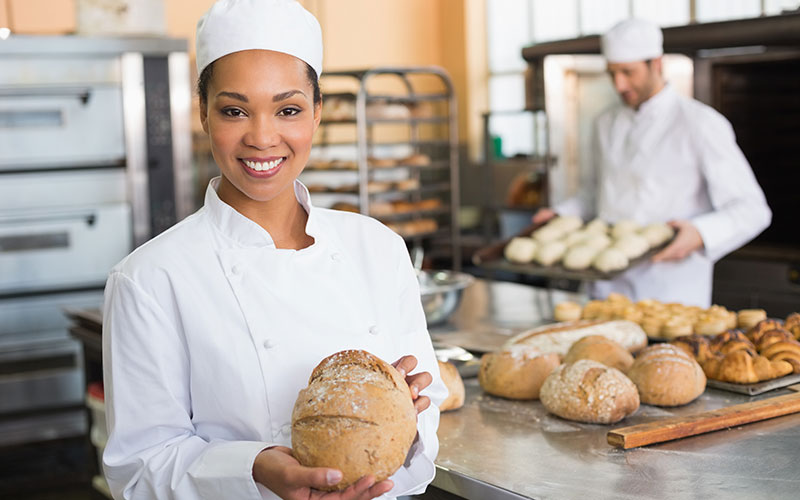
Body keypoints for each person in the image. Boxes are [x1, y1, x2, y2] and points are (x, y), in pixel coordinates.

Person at [101, 1, 446, 499]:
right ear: (203, 113)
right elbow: (138, 470)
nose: (262, 138)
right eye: (234, 110)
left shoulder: (378, 248)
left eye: (288, 109)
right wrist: (255, 468)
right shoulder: (151, 278)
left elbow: (428, 413)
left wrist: (400, 418)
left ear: (317, 113)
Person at [533, 18, 771, 307]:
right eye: (612, 74)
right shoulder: (604, 124)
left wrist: (700, 233)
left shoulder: (699, 123)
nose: (619, 84)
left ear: (657, 64)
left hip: (669, 293)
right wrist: (561, 214)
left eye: (628, 72)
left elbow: (752, 210)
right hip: (605, 292)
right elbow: (593, 193)